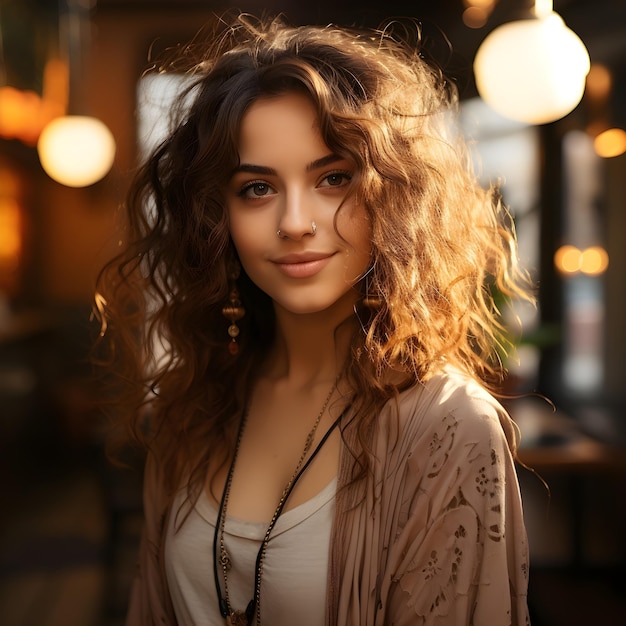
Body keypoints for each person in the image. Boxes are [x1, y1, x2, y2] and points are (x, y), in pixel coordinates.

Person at [94, 13, 533, 626]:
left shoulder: (446, 428)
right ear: (216, 219)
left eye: (333, 178)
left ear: (391, 196)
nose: (296, 222)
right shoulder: (192, 404)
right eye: (257, 188)